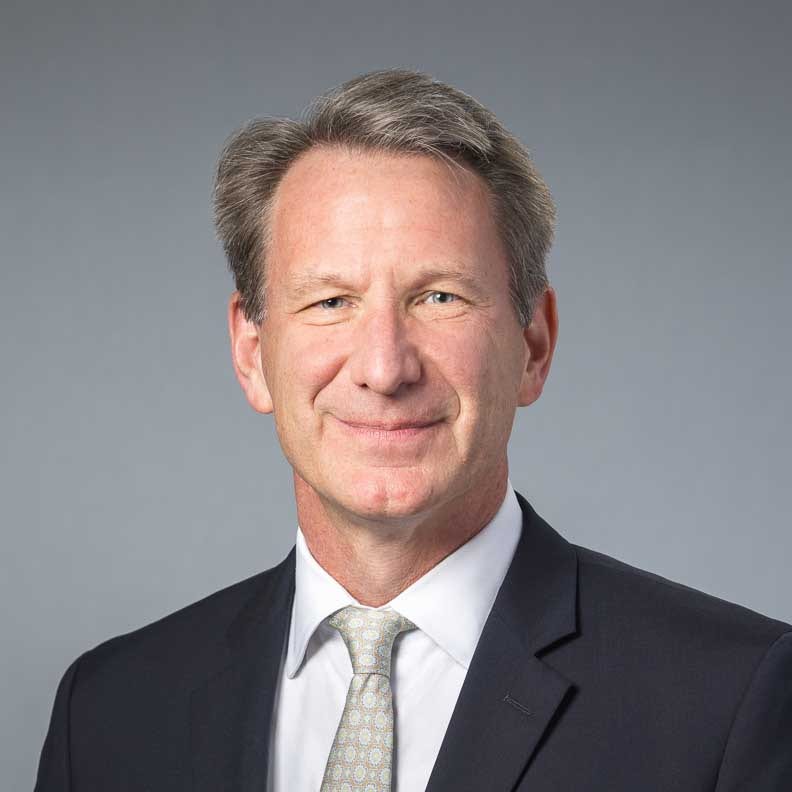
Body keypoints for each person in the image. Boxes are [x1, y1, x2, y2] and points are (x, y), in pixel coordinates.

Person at [35, 69, 791, 792]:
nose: (384, 367)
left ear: (534, 345)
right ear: (251, 352)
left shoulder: (730, 702)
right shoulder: (108, 713)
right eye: (330, 302)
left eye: (438, 296)